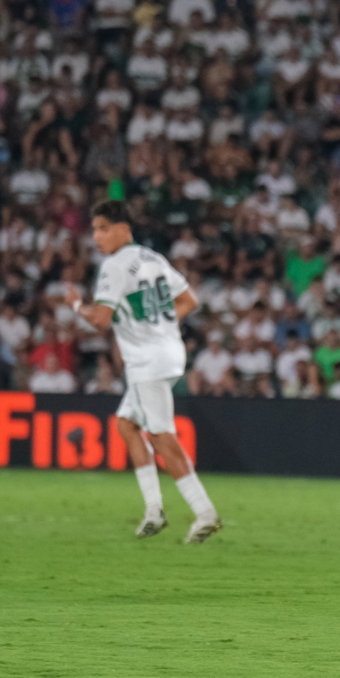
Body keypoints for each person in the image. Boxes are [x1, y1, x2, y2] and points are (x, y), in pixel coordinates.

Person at [68, 201, 222, 544]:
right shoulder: (154, 258)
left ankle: (204, 512)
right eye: (94, 230)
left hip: (147, 362)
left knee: (162, 436)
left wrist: (76, 305)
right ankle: (154, 510)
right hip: (169, 351)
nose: (97, 237)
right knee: (126, 424)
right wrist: (160, 326)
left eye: (103, 228)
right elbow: (189, 301)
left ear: (124, 229)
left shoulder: (114, 266)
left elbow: (101, 319)